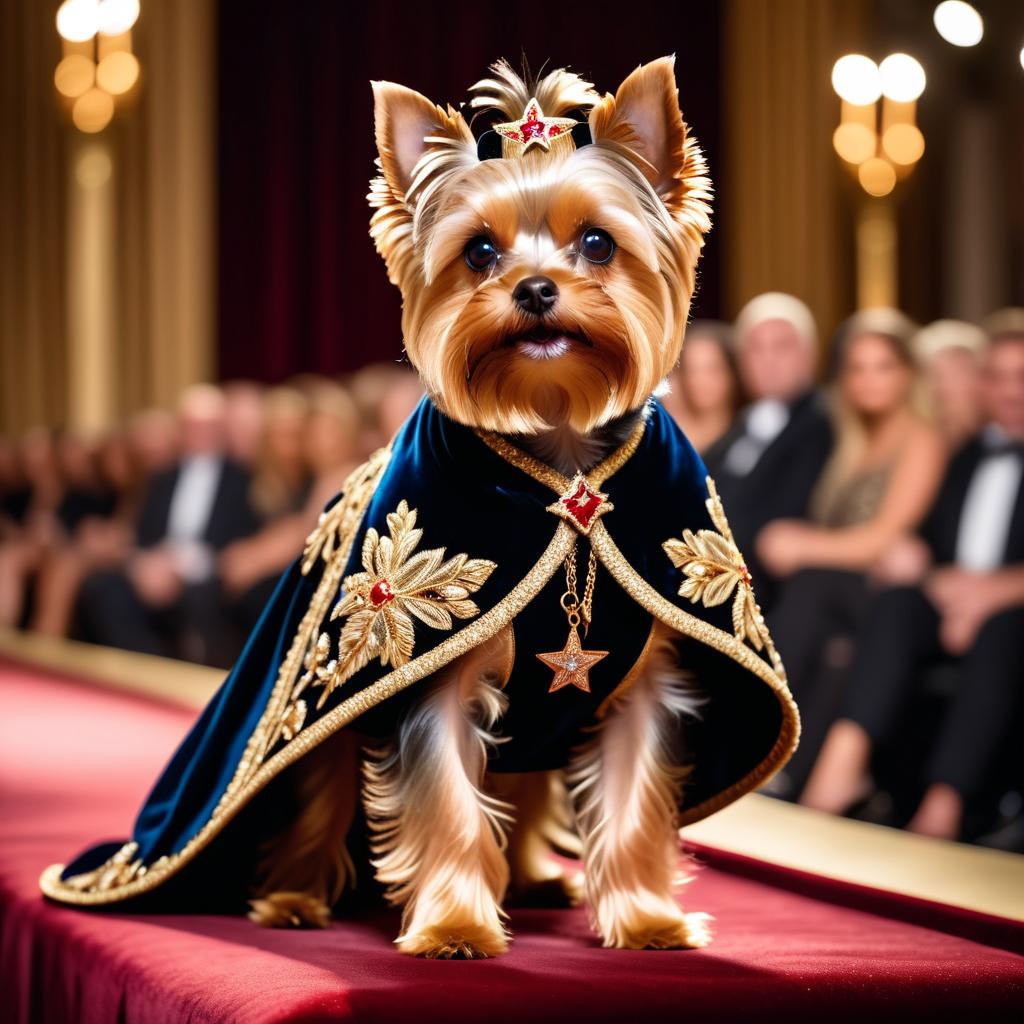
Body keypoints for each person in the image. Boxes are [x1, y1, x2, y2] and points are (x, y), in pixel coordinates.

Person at [802, 320, 1024, 840]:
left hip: (1008, 610)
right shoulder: (964, 455)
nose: (1010, 390)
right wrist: (923, 565)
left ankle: (943, 807)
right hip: (950, 599)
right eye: (998, 377)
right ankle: (840, 769)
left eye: (1022, 376)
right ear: (982, 385)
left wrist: (992, 594)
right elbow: (928, 540)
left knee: (1003, 630)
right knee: (898, 602)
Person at [755, 309, 946, 797]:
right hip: (848, 596)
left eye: (883, 366)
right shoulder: (851, 439)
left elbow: (885, 536)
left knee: (811, 585)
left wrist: (802, 544)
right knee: (824, 629)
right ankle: (782, 768)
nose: (868, 380)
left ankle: (763, 740)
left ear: (908, 374)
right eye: (857, 368)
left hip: (893, 602)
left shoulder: (921, 436)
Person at [77, 384, 262, 666]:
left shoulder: (243, 478)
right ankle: (144, 669)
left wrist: (182, 565)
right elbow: (141, 536)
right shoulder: (162, 479)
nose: (200, 432)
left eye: (208, 425)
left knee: (202, 597)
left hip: (210, 570)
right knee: (104, 586)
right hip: (155, 565)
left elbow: (242, 537)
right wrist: (145, 564)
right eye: (192, 425)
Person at [703, 293, 833, 600]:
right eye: (756, 349)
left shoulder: (822, 423)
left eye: (782, 347)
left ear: (809, 355)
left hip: (770, 591)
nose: (768, 361)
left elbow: (782, 516)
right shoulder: (743, 422)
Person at [662, 320, 741, 454]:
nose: (700, 381)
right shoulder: (667, 437)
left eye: (712, 369)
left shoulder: (748, 434)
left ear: (732, 373)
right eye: (691, 370)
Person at [914, 319, 986, 449]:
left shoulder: (995, 445)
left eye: (957, 374)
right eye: (935, 375)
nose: (943, 387)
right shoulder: (920, 443)